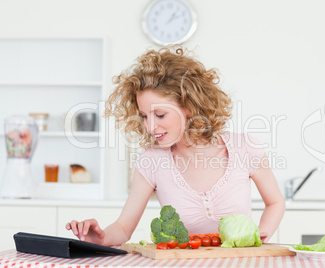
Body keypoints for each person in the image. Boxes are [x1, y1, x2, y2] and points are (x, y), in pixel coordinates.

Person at [65, 46, 285, 246]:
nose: (150, 127)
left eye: (160, 114)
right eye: (143, 116)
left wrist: (259, 236)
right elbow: (123, 227)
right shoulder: (152, 161)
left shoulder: (244, 148)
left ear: (189, 106)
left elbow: (275, 202)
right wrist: (99, 238)